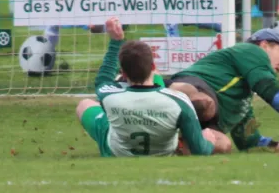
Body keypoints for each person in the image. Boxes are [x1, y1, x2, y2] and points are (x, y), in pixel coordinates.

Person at [167, 28, 279, 152]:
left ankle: (168, 144)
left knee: (224, 144)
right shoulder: (251, 51)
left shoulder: (243, 103)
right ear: (264, 45)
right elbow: (269, 88)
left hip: (184, 115)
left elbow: (251, 143)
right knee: (205, 105)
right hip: (180, 90)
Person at [76, 16, 221, 157]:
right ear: (152, 65)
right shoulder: (179, 101)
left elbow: (103, 80)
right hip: (165, 152)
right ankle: (178, 147)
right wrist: (209, 142)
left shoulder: (110, 97)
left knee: (85, 105)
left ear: (124, 74)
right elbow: (200, 150)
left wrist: (116, 42)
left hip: (116, 152)